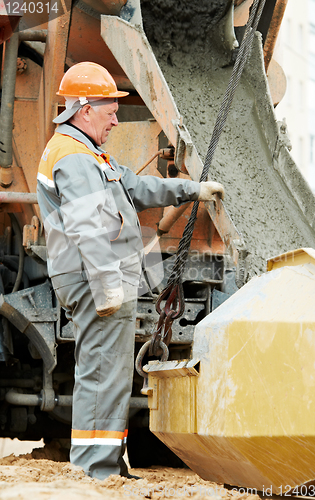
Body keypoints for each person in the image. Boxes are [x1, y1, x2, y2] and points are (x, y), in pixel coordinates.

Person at [37, 61, 225, 480]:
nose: (117, 119)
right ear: (85, 109)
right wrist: (107, 289)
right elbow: (88, 228)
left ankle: (106, 464)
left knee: (109, 370)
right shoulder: (73, 157)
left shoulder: (87, 153)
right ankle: (95, 470)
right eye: (110, 110)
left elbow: (137, 188)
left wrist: (192, 190)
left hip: (94, 276)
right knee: (103, 371)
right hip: (92, 278)